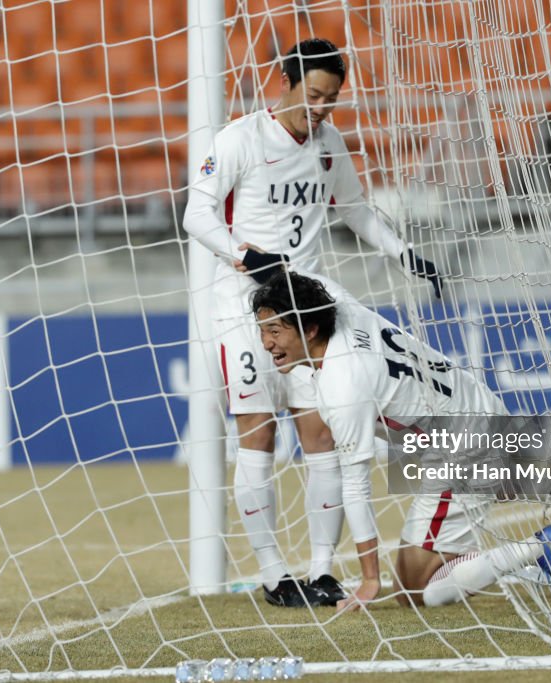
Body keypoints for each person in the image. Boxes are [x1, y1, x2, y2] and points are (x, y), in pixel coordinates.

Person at [183, 38, 441, 607]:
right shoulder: (240, 139)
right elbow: (195, 212)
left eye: (331, 99)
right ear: (286, 83)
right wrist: (241, 254)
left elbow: (352, 209)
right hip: (243, 308)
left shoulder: (328, 145)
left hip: (308, 309)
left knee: (320, 433)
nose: (321, 108)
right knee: (257, 432)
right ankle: (275, 576)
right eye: (313, 95)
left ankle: (323, 571)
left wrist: (402, 253)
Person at [250, 271, 551, 611]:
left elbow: (356, 487)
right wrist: (252, 259)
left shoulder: (343, 387)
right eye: (262, 331)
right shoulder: (340, 305)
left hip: (460, 449)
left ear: (310, 329)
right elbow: (306, 277)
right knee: (479, 498)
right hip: (476, 406)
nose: (266, 344)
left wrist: (369, 579)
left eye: (275, 331)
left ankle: (537, 548)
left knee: (415, 591)